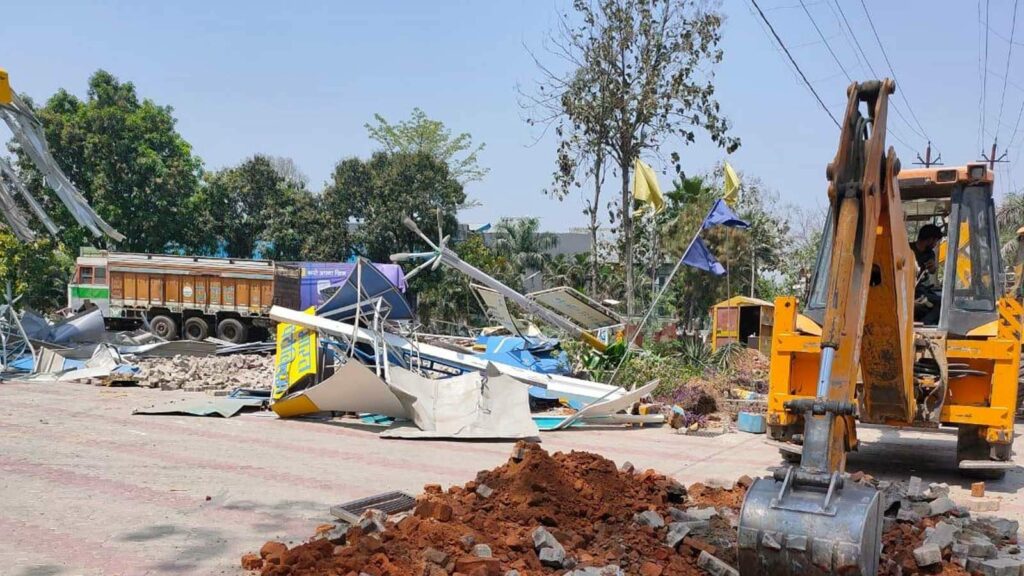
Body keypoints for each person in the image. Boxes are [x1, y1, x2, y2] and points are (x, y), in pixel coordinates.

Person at [912, 224, 943, 324]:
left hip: (921, 289)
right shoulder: (908, 249)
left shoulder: (930, 254)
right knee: (942, 304)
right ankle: (924, 325)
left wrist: (933, 267)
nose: (935, 244)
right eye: (936, 241)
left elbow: (932, 271)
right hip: (912, 290)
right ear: (930, 239)